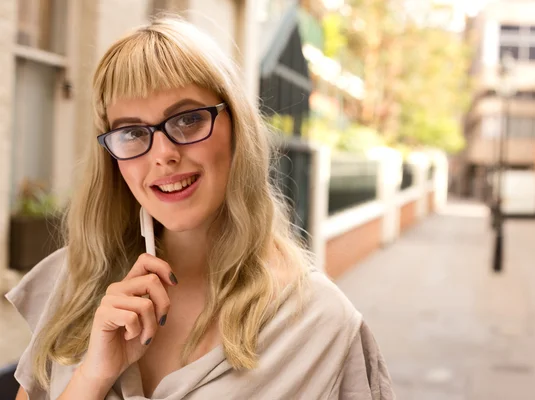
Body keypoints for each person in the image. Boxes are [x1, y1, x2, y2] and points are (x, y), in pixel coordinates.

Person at [7, 17, 395, 400]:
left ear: (237, 127)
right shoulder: (76, 278)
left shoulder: (321, 325)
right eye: (131, 132)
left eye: (188, 119)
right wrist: (93, 375)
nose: (163, 155)